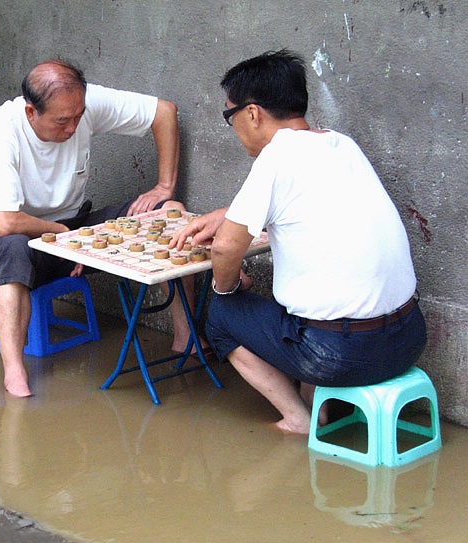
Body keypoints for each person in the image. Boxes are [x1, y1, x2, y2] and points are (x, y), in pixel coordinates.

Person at [170, 50, 427, 434]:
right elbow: (314, 207)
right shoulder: (341, 145)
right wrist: (229, 214)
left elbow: (224, 248)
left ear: (252, 113)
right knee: (303, 304)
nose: (234, 126)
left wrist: (230, 287)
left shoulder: (277, 157)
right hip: (407, 340)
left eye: (231, 116)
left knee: (223, 316)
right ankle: (318, 407)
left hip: (339, 356)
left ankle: (298, 419)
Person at [0, 59, 197, 397]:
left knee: (171, 213)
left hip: (75, 229)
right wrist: (59, 233)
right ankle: (14, 370)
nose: (72, 128)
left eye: (78, 117)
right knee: (12, 247)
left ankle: (186, 336)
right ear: (31, 112)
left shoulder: (81, 103)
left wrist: (164, 187)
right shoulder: (2, 128)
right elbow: (5, 221)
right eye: (62, 120)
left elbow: (164, 112)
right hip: (18, 238)